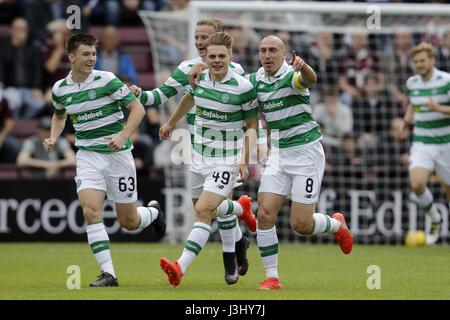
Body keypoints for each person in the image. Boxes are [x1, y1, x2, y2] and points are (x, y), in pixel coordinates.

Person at [130, 19, 254, 284]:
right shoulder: (189, 70)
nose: (199, 41)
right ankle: (241, 230)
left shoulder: (238, 74)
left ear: (219, 39)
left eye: (205, 36)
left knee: (207, 209)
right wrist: (141, 95)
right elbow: (159, 96)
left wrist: (247, 155)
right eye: (197, 37)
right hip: (197, 149)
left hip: (226, 151)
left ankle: (227, 259)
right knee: (208, 208)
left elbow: (247, 114)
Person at [43, 33, 166, 287]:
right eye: (86, 54)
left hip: (118, 156)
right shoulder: (60, 89)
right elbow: (58, 115)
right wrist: (54, 137)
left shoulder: (107, 80)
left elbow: (138, 109)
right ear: (71, 57)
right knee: (91, 211)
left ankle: (153, 213)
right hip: (88, 156)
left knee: (129, 222)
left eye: (94, 54)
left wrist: (123, 135)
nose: (91, 59)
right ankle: (109, 274)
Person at [249, 36, 353, 290]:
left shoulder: (292, 76)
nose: (267, 55)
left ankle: (336, 224)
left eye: (273, 50)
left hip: (306, 154)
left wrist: (304, 67)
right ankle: (272, 277)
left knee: (301, 225)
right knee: (264, 214)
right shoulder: (255, 80)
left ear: (284, 54)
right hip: (280, 154)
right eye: (263, 50)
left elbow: (309, 79)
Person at [400, 42, 450, 245]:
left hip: (446, 143)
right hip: (422, 142)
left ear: (432, 60)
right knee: (417, 183)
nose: (419, 64)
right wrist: (405, 121)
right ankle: (435, 219)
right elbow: (414, 105)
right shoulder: (412, 83)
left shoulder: (445, 80)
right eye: (416, 61)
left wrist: (437, 107)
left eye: (423, 60)